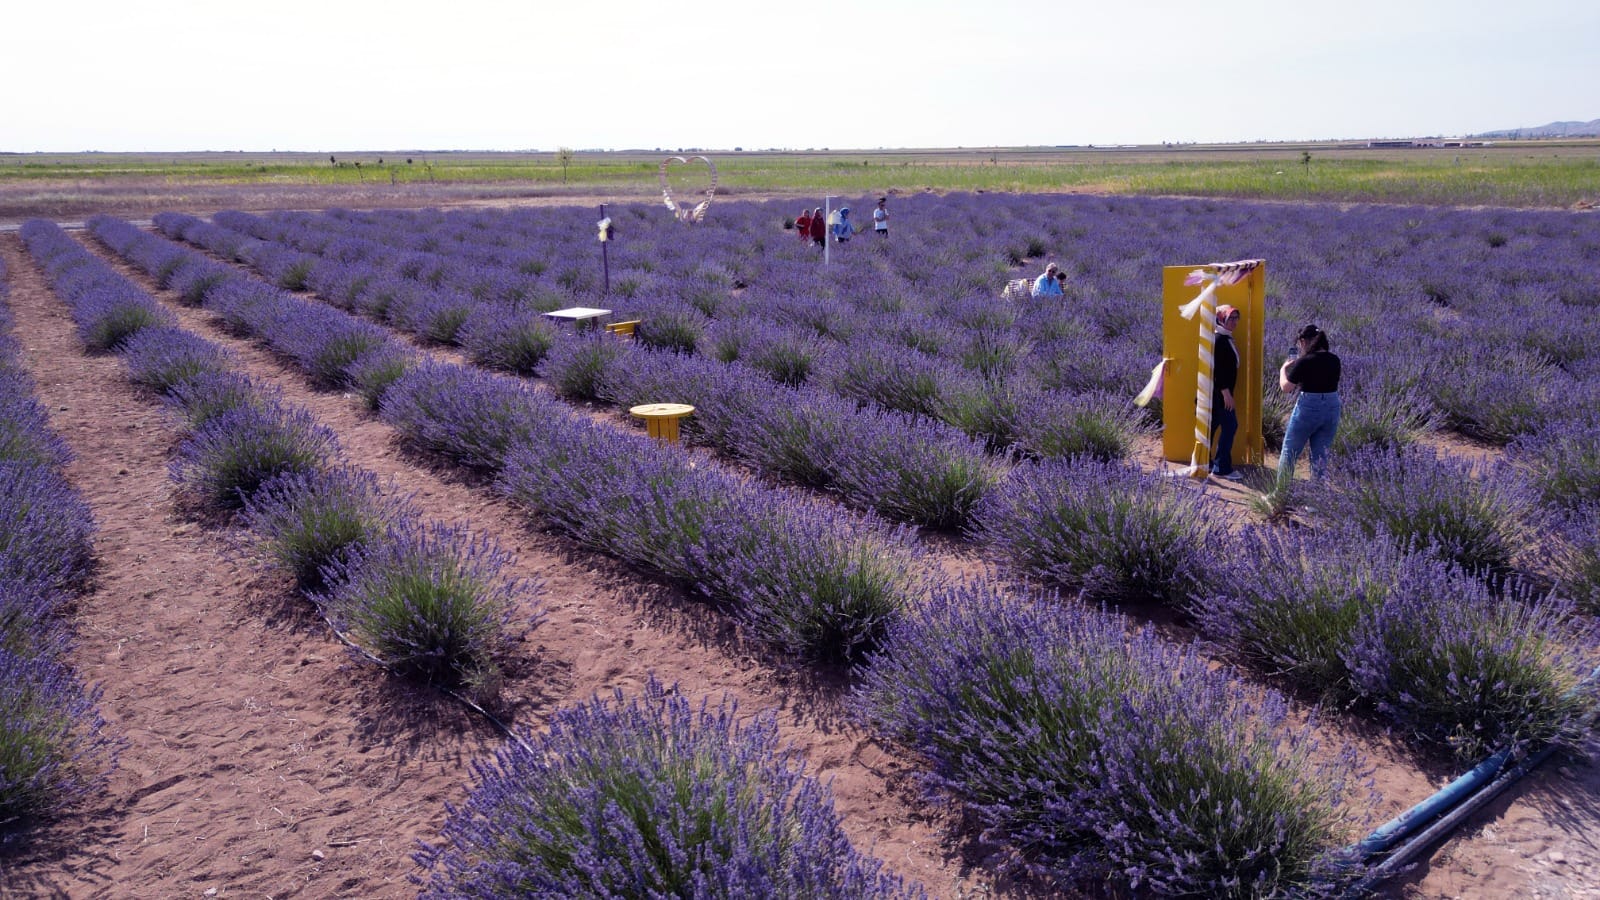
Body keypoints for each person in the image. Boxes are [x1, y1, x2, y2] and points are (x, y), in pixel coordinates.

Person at [1277, 323, 1342, 480]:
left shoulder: (1305, 361)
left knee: (1290, 450)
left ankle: (1280, 493)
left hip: (1309, 407)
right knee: (1320, 456)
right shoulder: (1335, 359)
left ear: (1304, 341)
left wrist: (1283, 370)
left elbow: (1286, 388)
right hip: (1332, 406)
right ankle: (1315, 500)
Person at [1209, 304, 1243, 480]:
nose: (1235, 322)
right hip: (1220, 395)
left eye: (1237, 318)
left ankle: (1207, 463)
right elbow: (1218, 370)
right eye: (1231, 318)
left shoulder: (1224, 338)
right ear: (1221, 319)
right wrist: (1226, 393)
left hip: (1218, 394)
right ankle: (1221, 467)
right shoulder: (1219, 340)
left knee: (1212, 426)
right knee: (1230, 425)